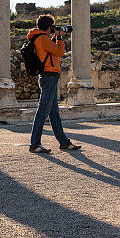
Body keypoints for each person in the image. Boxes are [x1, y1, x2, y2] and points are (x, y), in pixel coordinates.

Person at [27, 14, 81, 153]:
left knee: (54, 114)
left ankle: (64, 143)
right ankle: (35, 144)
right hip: (49, 77)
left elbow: (49, 51)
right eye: (52, 27)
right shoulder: (43, 38)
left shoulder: (40, 37)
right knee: (42, 112)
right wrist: (60, 37)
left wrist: (56, 37)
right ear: (49, 27)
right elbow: (59, 52)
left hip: (49, 77)